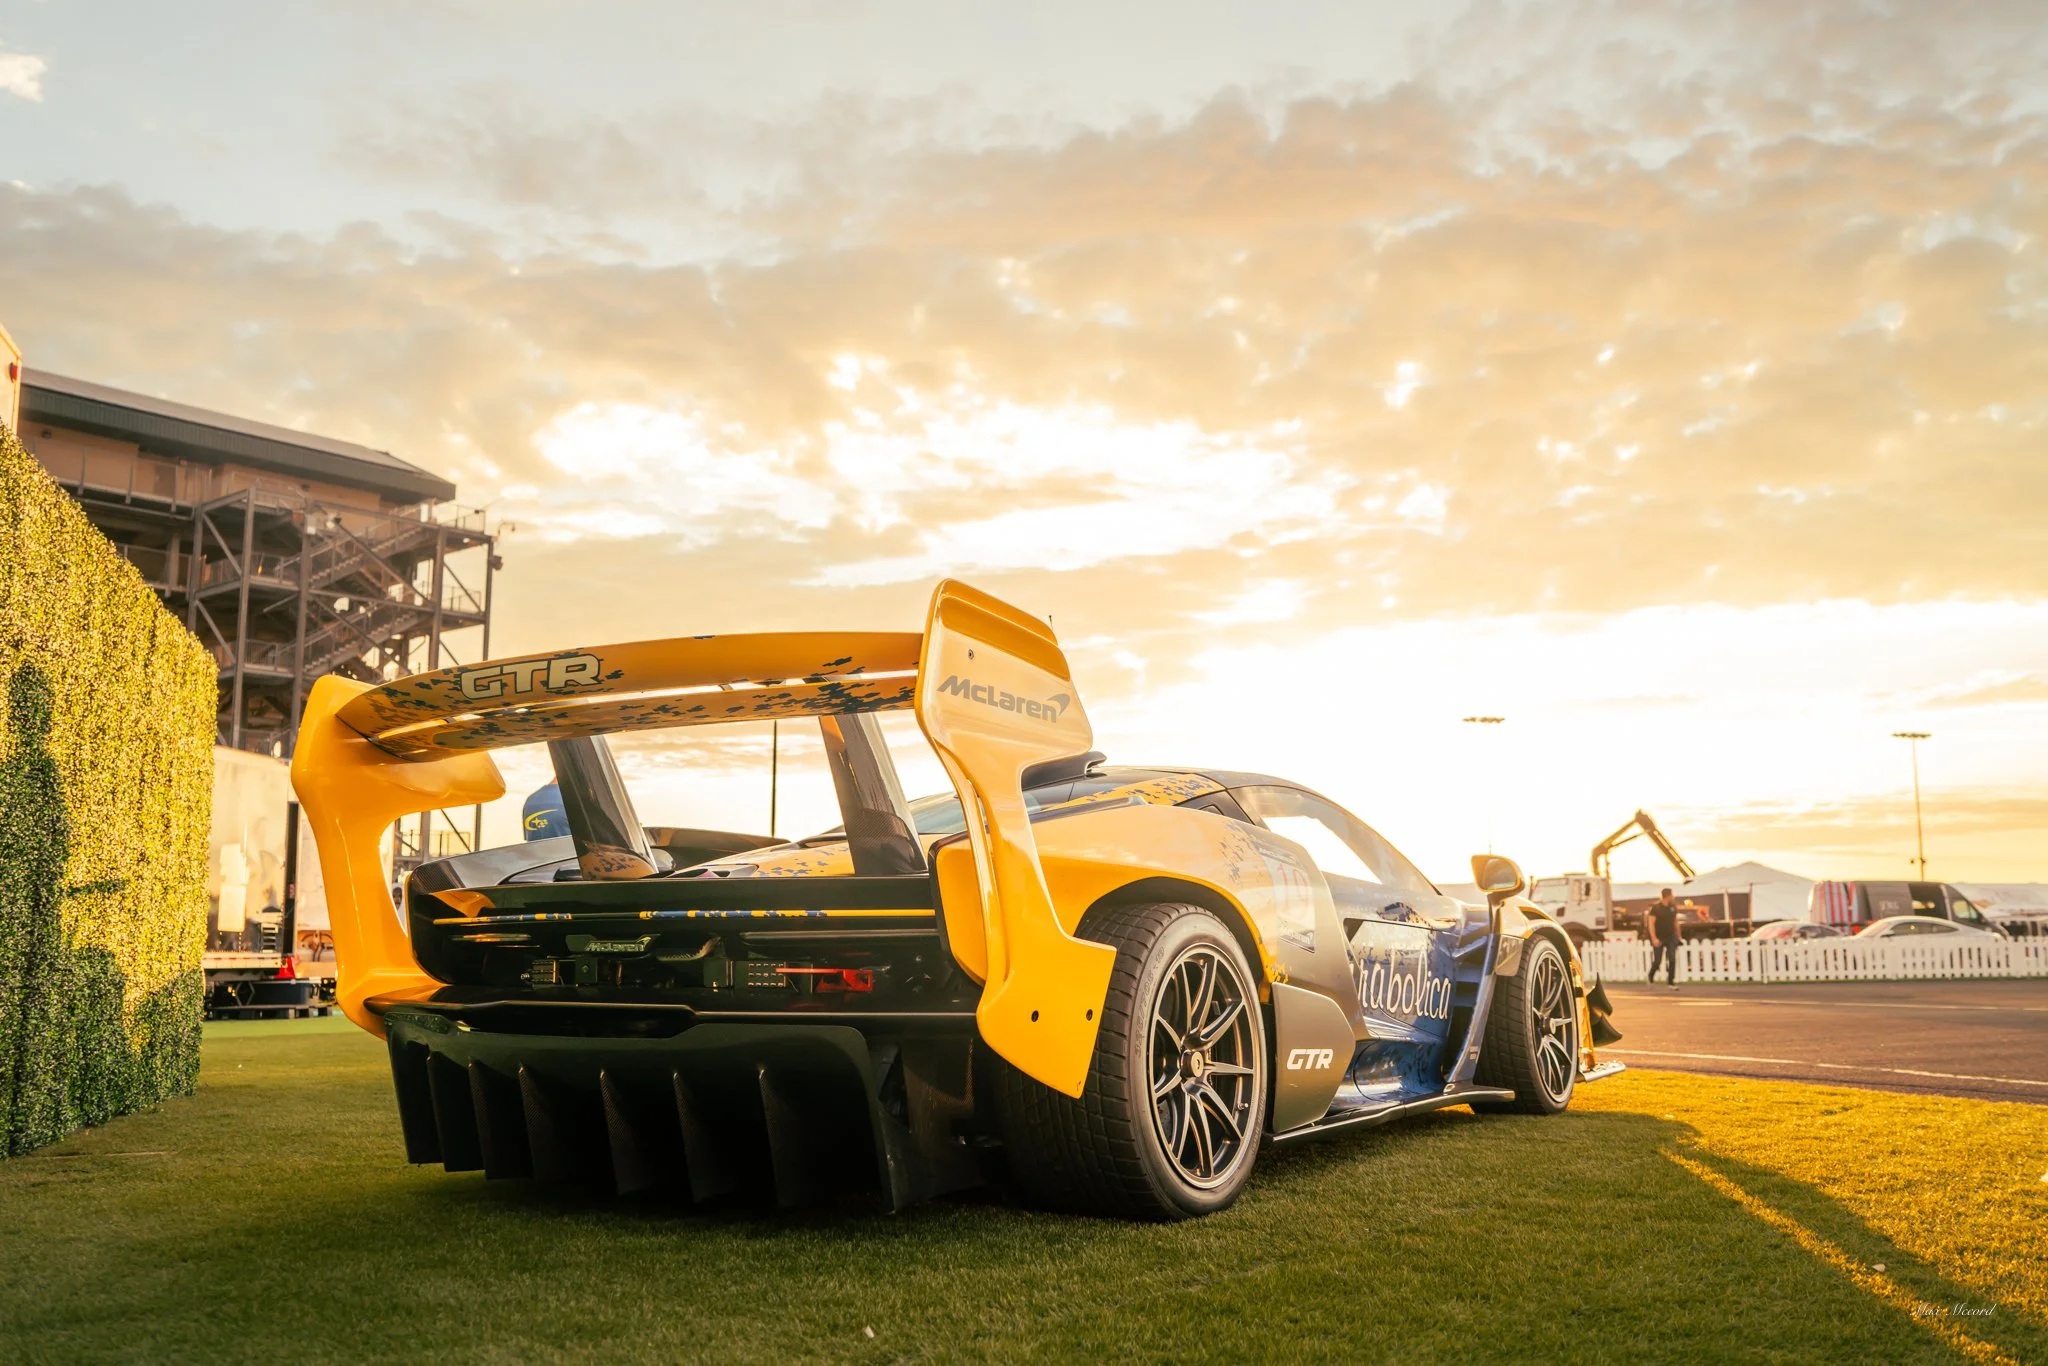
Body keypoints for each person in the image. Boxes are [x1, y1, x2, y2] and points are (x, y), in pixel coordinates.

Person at [1647, 888, 1681, 988]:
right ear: (1668, 896)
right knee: (1658, 960)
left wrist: (1679, 936)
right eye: (1672, 895)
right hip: (1659, 937)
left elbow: (1675, 922)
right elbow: (1651, 924)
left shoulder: (1672, 907)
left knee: (1672, 958)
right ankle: (1650, 976)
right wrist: (1654, 938)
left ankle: (1671, 981)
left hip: (1670, 936)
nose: (1673, 897)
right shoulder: (1656, 908)